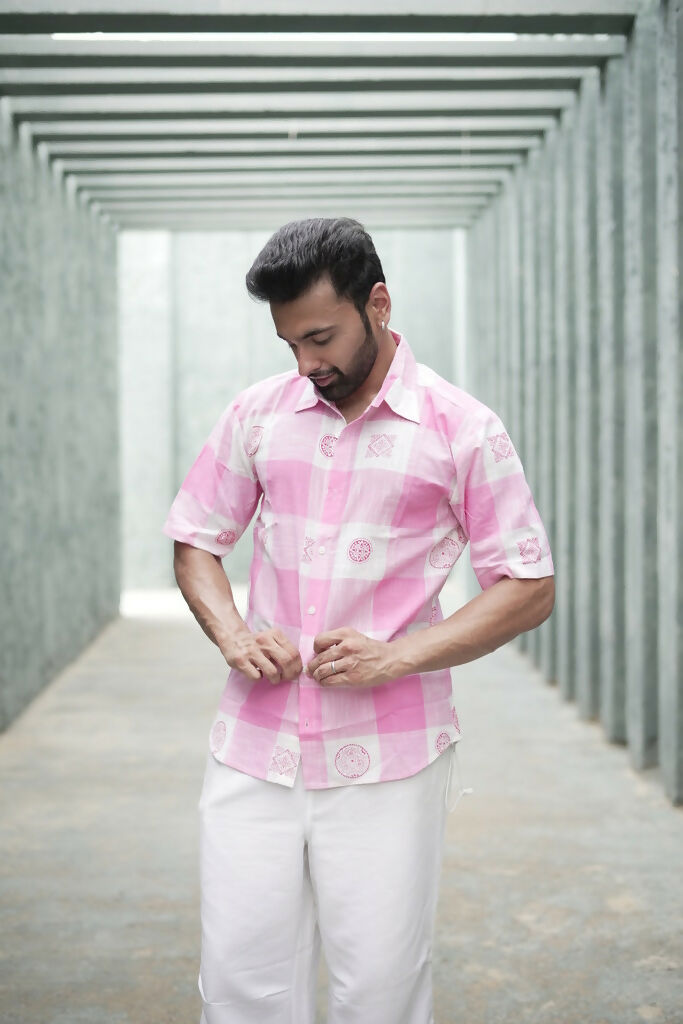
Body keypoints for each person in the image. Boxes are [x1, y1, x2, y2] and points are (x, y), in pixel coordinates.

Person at [162, 216, 555, 1024]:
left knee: (377, 992)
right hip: (252, 749)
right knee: (241, 987)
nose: (307, 365)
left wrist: (398, 655)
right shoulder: (258, 414)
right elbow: (195, 539)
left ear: (377, 303)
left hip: (389, 758)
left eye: (320, 338)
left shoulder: (463, 429)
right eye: (290, 346)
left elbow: (527, 584)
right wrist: (233, 633)